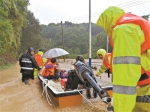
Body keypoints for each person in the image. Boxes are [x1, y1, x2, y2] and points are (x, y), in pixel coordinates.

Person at [96, 6, 150, 112]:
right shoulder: (133, 26)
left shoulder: (123, 31)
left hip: (145, 91)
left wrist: (119, 109)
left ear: (108, 23)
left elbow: (125, 79)